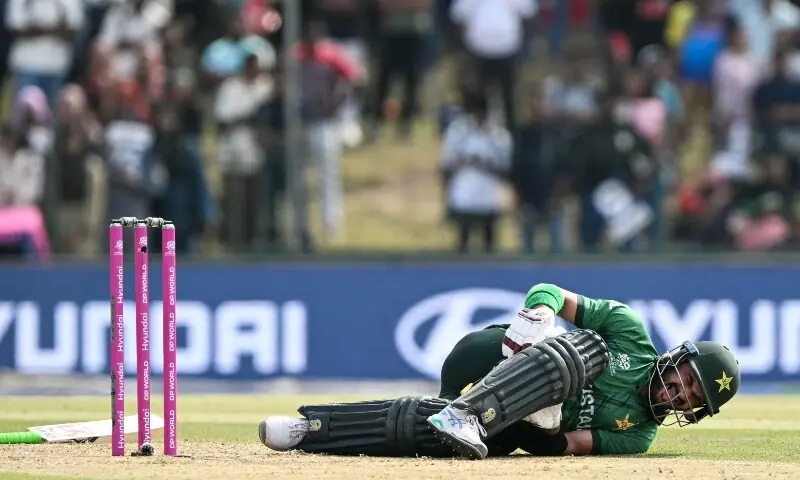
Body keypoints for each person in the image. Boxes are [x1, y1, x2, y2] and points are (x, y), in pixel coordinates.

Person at [258, 283, 742, 458]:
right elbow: (549, 290)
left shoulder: (639, 436)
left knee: (423, 427)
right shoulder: (629, 332)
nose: (682, 395)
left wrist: (542, 425)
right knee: (586, 351)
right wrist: (537, 318)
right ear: (678, 358)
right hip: (497, 353)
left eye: (696, 399)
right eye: (690, 380)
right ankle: (466, 413)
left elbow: (565, 447)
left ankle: (312, 429)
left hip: (509, 426)